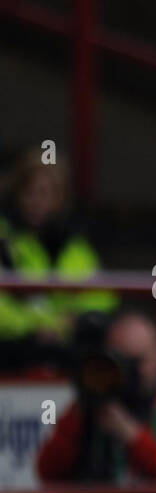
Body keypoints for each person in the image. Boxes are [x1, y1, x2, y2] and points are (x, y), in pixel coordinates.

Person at [36, 309, 156, 483]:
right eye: (121, 362)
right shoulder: (94, 405)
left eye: (138, 362)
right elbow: (47, 472)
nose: (131, 372)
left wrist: (131, 435)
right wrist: (83, 414)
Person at [0, 150, 116, 372]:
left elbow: (102, 299)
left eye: (48, 194)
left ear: (61, 199)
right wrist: (41, 328)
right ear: (17, 194)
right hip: (13, 351)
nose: (38, 202)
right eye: (31, 192)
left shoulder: (76, 248)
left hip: (65, 350)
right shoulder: (4, 238)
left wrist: (73, 322)